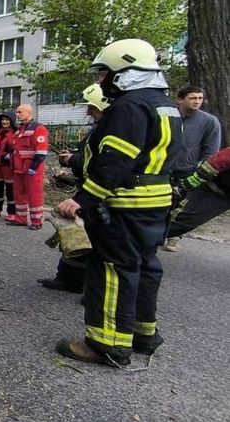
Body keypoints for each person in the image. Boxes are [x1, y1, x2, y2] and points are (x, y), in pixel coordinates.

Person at [55, 39, 183, 367]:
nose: (102, 82)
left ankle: (107, 345)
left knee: (112, 270)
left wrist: (82, 199)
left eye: (104, 75)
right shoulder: (165, 105)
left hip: (125, 204)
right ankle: (143, 334)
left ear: (124, 72)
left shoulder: (128, 107)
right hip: (155, 204)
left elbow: (114, 162)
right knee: (145, 266)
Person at [38, 83, 111, 293]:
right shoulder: (99, 129)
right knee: (73, 236)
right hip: (88, 189)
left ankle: (89, 287)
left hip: (98, 193)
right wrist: (71, 158)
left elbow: (104, 164)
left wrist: (74, 160)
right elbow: (88, 156)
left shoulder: (112, 131)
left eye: (92, 108)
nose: (88, 111)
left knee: (87, 240)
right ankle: (68, 279)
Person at [162, 85, 222, 251]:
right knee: (160, 205)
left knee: (179, 208)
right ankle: (155, 234)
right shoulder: (167, 116)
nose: (197, 102)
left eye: (200, 98)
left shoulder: (209, 122)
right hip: (162, 169)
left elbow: (211, 152)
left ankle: (173, 236)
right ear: (180, 99)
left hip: (187, 172)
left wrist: (199, 172)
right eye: (193, 98)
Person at [167, 147, 230, 239]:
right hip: (217, 190)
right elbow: (223, 158)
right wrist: (200, 175)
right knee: (185, 223)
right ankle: (145, 239)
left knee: (185, 223)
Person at [7, 104, 49, 230]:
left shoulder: (39, 129)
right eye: (17, 112)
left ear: (28, 113)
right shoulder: (20, 130)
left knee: (34, 195)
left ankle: (36, 221)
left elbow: (41, 152)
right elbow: (16, 148)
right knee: (19, 194)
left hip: (32, 169)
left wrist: (33, 167)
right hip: (18, 168)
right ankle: (21, 219)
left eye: (20, 112)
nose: (17, 115)